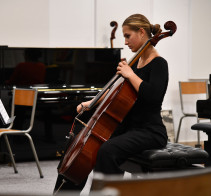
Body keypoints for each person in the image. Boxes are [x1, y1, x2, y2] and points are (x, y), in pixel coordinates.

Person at [54, 13, 169, 194]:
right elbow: (116, 91)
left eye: (127, 36)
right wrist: (91, 103)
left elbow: (153, 96)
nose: (125, 41)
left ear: (141, 32)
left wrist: (130, 75)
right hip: (128, 128)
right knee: (80, 146)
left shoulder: (159, 64)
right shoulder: (136, 62)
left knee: (107, 150)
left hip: (149, 131)